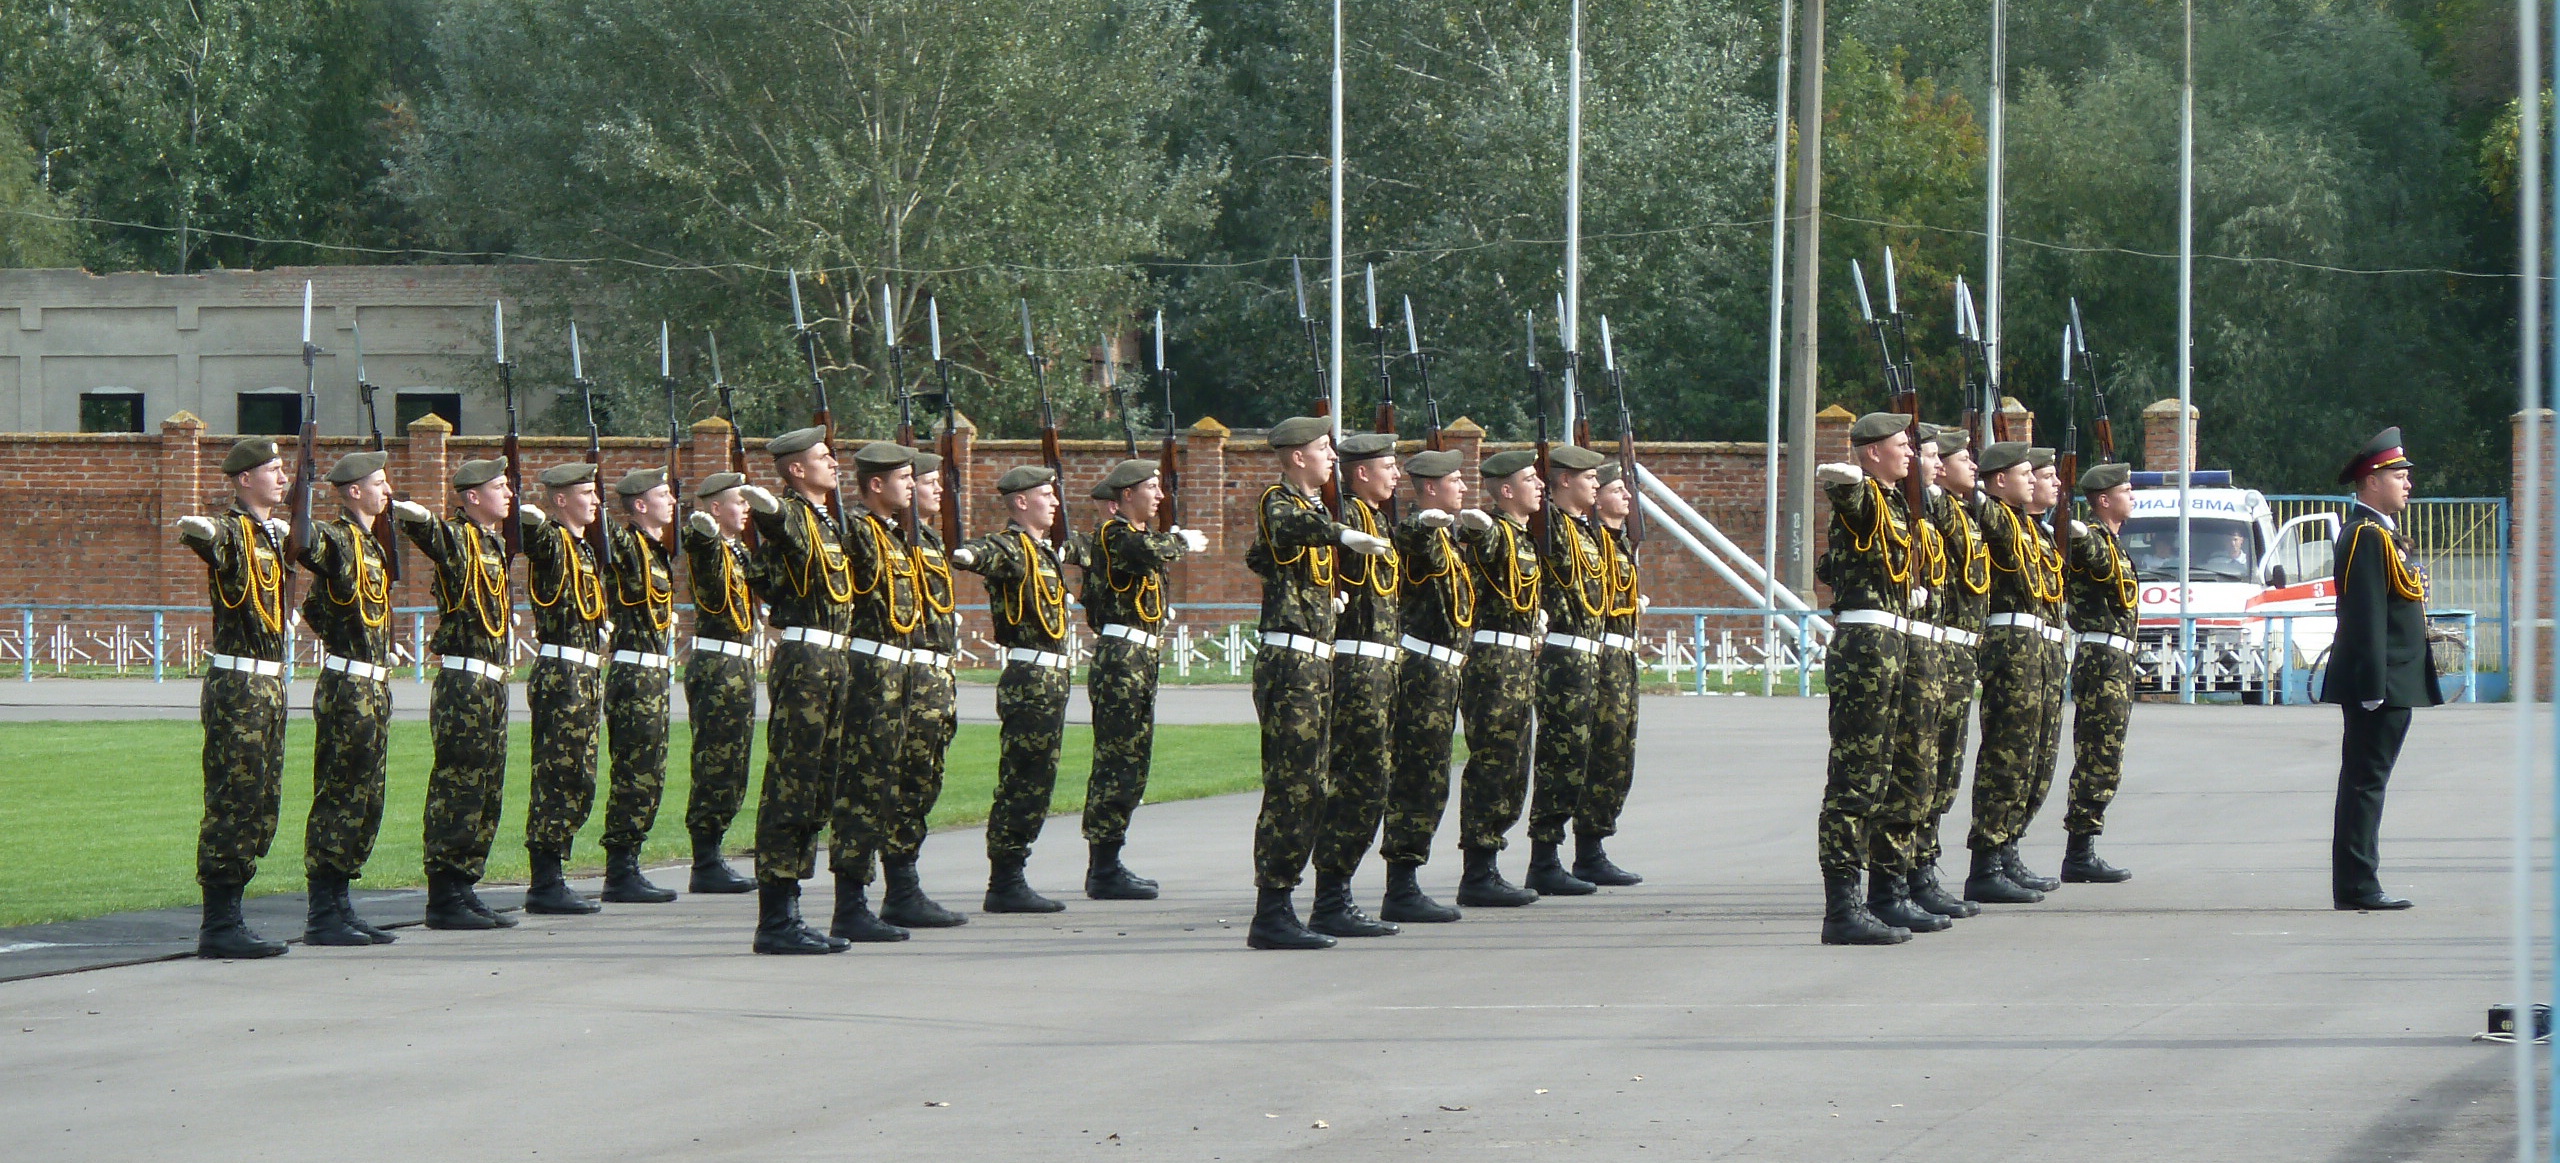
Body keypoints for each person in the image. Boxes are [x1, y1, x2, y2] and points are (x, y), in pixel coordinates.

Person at [1242, 416, 1392, 949]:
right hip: (1291, 663)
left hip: (1317, 661)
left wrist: (1318, 597)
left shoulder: (1313, 510)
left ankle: (1320, 903)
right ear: (1297, 456)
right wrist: (1342, 533)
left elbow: (1261, 555)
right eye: (1324, 448)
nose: (1333, 456)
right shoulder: (1279, 501)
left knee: (1316, 784)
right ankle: (1272, 912)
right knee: (1294, 784)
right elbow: (1285, 528)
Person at [174, 438, 297, 958]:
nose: (284, 477)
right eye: (273, 469)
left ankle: (233, 915)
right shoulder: (233, 531)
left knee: (262, 801)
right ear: (245, 479)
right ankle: (220, 924)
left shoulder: (272, 535)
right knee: (234, 798)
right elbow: (212, 537)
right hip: (240, 685)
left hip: (269, 684)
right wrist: (199, 530)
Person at [1809, 414, 1922, 945]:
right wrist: (1848, 477)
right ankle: (1842, 909)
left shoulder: (1895, 503)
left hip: (1892, 644)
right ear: (1873, 452)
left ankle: (1880, 896)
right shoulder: (1864, 497)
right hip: (1867, 649)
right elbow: (1845, 493)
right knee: (1855, 781)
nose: (1910, 453)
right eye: (1901, 445)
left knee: (1885, 776)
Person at [740, 427, 854, 954]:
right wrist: (763, 504)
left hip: (833, 658)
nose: (835, 464)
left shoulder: (828, 522)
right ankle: (775, 917)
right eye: (823, 457)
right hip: (806, 658)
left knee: (818, 785)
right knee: (793, 781)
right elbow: (777, 522)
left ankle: (791, 910)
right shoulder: (791, 514)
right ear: (796, 470)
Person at [395, 458, 521, 931]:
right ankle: (444, 894)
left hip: (492, 680)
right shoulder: (456, 537)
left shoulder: (491, 543)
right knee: (458, 785)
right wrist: (413, 513)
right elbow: (431, 533)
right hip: (464, 681)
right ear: (472, 496)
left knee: (486, 787)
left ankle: (465, 884)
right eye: (499, 487)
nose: (508, 494)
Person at [953, 465, 1078, 914]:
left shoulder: (1041, 551)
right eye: (1046, 495)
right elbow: (985, 551)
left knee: (1039, 779)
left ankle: (1012, 874)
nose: (1055, 502)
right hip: (1030, 678)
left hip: (1051, 677)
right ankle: (1005, 880)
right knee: (1023, 778)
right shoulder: (1011, 545)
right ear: (1021, 502)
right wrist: (967, 555)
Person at [1078, 458, 1205, 901]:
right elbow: (1145, 551)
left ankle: (1111, 861)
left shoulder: (1138, 536)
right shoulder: (1114, 534)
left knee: (1133, 759)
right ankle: (1102, 868)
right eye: (1152, 488)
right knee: (1117, 758)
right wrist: (1179, 540)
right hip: (1122, 657)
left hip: (1141, 655)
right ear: (1127, 495)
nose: (1160, 496)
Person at [2322, 427, 2437, 911]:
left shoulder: (2381, 534)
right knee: (2365, 785)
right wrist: (2372, 686)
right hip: (2381, 684)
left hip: (2392, 680)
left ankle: (2359, 881)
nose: (2408, 483)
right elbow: (2364, 614)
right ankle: (2357, 885)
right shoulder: (2366, 535)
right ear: (2371, 481)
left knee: (2369, 783)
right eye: (2398, 475)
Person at [294, 449, 401, 946]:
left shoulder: (370, 544)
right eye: (379, 483)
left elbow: (318, 605)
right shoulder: (338, 538)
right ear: (354, 491)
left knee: (366, 797)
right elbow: (305, 546)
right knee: (341, 793)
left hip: (372, 684)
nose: (388, 491)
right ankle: (323, 913)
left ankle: (341, 904)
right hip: (349, 686)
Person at [821, 441, 925, 942]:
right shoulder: (858, 532)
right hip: (868, 673)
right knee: (861, 789)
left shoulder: (893, 535)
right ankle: (849, 904)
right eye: (904, 478)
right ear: (876, 484)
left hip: (896, 672)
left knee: (884, 787)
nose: (913, 485)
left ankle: (880, 895)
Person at [1377, 449, 1482, 923]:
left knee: (1433, 776)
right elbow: (1408, 538)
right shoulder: (1418, 532)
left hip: (1446, 670)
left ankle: (1407, 880)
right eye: (1455, 480)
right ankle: (1401, 885)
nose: (1463, 487)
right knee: (1418, 776)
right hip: (1423, 668)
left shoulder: (1449, 536)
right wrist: (1424, 523)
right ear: (1431, 488)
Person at [1307, 433, 1406, 938]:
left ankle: (1338, 893)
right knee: (1355, 781)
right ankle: (1330, 898)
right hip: (1356, 665)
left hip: (1382, 665)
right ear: (1362, 472)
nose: (1397, 476)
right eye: (1389, 467)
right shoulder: (1342, 516)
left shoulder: (1378, 520)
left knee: (1373, 782)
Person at [1962, 442, 2060, 905]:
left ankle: (2007, 850)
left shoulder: (2027, 526)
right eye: (2028, 473)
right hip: (2011, 647)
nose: (2038, 480)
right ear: (2000, 480)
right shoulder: (1998, 516)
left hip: (2037, 649)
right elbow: (1977, 501)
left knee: (2033, 760)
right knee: (2007, 755)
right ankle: (1986, 862)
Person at [1863, 425, 1951, 935]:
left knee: (1924, 775)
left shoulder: (1910, 508)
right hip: (1884, 646)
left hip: (1920, 647)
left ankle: (1910, 877)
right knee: (1878, 778)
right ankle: (1881, 890)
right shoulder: (1866, 498)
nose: (1921, 459)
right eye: (1909, 449)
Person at [1454, 449, 1547, 909]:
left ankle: (1489, 864)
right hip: (1494, 662)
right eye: (1531, 479)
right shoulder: (1494, 531)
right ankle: (1478, 871)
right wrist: (1480, 526)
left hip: (1518, 660)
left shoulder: (1523, 536)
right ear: (1506, 490)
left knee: (1513, 765)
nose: (1541, 485)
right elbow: (1482, 539)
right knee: (1494, 762)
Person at [515, 463, 609, 917]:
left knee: (579, 776)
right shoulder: (552, 540)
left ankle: (555, 873)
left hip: (586, 673)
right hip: (563, 673)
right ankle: (545, 881)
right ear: (560, 500)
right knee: (556, 774)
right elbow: (533, 534)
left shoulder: (582, 548)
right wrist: (532, 516)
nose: (595, 501)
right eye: (586, 493)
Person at [881, 450, 969, 929]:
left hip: (936, 676)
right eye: (927, 482)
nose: (934, 490)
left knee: (925, 780)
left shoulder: (930, 538)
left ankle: (905, 883)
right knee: (904, 781)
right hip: (910, 676)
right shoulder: (898, 538)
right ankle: (899, 886)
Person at [1524, 444, 1614, 898]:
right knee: (1560, 757)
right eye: (1588, 476)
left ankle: (1575, 853)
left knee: (1584, 757)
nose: (1596, 484)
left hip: (1589, 656)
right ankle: (1544, 859)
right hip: (1564, 656)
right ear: (1563, 480)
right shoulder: (1551, 526)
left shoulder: (1584, 530)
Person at [597, 467, 682, 905]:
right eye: (664, 495)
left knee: (650, 771)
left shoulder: (655, 551)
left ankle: (629, 863)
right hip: (633, 672)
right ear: (641, 505)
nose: (673, 502)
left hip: (655, 673)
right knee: (634, 771)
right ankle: (620, 871)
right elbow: (602, 526)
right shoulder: (628, 544)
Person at [1912, 428, 1987, 920]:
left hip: (1954, 652)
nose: (1941, 465)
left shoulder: (1958, 511)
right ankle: (1912, 874)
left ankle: (1922, 869)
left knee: (1943, 772)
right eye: (1933, 456)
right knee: (1922, 771)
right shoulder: (1926, 507)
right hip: (1933, 648)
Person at [678, 471, 760, 894]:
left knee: (733, 765)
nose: (746, 509)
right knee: (715, 761)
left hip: (740, 665)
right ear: (714, 508)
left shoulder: (739, 551)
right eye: (738, 502)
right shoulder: (707, 544)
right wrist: (704, 528)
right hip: (717, 665)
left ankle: (714, 854)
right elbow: (697, 542)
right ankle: (705, 861)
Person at [2061, 462, 2140, 883]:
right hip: (2102, 657)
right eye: (2126, 490)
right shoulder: (2091, 538)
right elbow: (2090, 553)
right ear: (2104, 500)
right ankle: (2079, 852)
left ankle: (2084, 846)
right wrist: (2077, 530)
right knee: (2098, 754)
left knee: (2108, 756)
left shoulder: (2113, 541)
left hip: (2117, 659)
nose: (2133, 496)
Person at [1574, 461, 1644, 886]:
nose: (1626, 497)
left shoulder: (1619, 543)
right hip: (1602, 656)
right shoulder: (1593, 542)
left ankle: (1595, 844)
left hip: (1624, 657)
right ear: (1597, 499)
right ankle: (1586, 849)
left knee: (1618, 755)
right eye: (1617, 489)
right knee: (1600, 752)